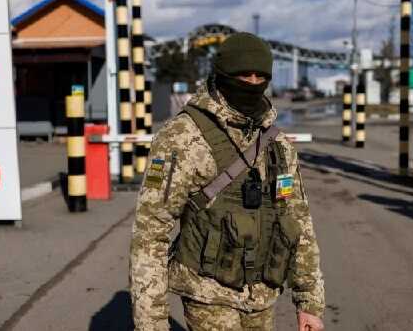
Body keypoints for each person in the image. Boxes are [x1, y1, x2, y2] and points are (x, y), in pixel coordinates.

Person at [130, 32, 325, 331]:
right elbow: (150, 232)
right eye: (243, 75)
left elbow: (297, 221)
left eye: (260, 76)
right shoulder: (182, 138)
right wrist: (151, 324)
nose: (252, 82)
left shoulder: (277, 144)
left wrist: (309, 301)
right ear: (222, 75)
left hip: (263, 296)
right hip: (208, 295)